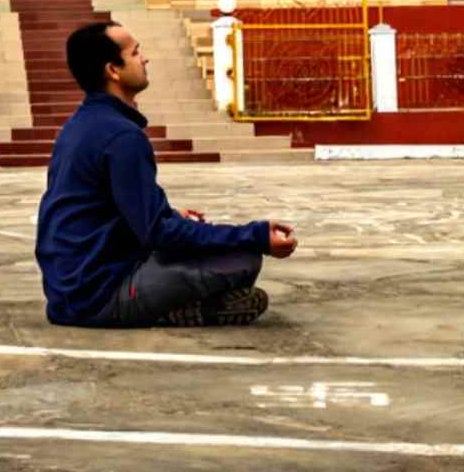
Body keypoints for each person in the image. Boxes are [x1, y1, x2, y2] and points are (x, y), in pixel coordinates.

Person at [35, 20, 297, 327]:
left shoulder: (78, 126)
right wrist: (256, 234)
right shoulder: (121, 137)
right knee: (243, 258)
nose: (144, 59)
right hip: (102, 295)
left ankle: (177, 302)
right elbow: (159, 233)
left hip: (68, 291)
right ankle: (177, 309)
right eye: (134, 53)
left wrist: (170, 214)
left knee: (211, 242)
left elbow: (102, 207)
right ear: (113, 71)